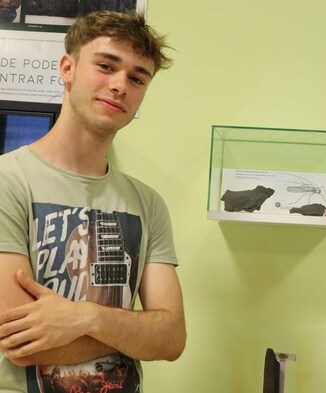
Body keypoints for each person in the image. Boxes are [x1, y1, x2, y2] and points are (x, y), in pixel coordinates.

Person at [0, 10, 186, 393]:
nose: (120, 85)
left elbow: (171, 338)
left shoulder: (149, 203)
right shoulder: (8, 181)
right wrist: (132, 330)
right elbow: (20, 343)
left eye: (137, 78)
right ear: (67, 68)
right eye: (106, 66)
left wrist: (83, 317)